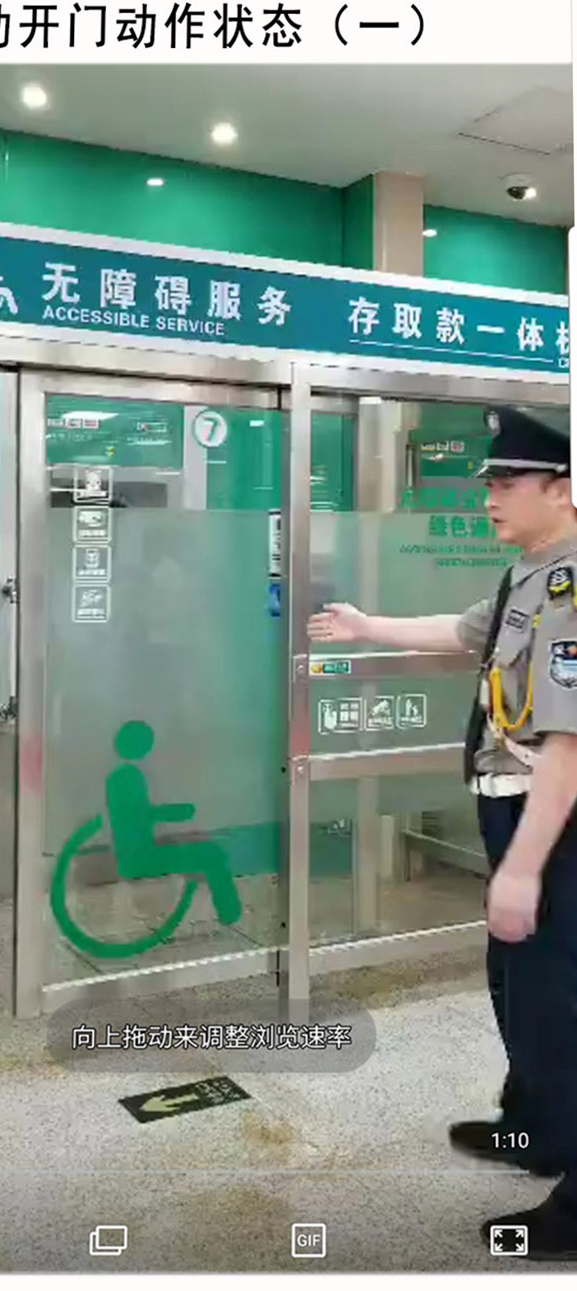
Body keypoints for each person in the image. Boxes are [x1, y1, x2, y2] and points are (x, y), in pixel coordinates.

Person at [308, 406, 577, 1260]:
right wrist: (365, 626)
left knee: (556, 1002)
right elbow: (463, 634)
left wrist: (523, 867)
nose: (490, 494)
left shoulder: (572, 587)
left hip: (555, 822)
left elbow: (570, 745)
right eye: (489, 479)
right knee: (516, 982)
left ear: (563, 488)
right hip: (513, 808)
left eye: (508, 480)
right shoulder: (528, 574)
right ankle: (538, 1125)